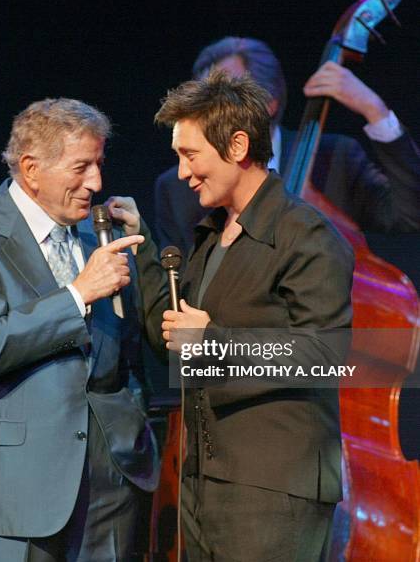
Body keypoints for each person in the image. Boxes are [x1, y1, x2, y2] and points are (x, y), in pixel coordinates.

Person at [108, 72, 354, 561]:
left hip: (274, 488)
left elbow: (328, 353)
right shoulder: (213, 236)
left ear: (238, 145)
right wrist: (142, 248)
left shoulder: (305, 235)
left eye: (190, 155)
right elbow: (176, 340)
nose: (181, 173)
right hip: (205, 483)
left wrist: (215, 341)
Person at [0, 98, 159, 562]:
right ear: (31, 169)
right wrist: (77, 294)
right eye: (82, 167)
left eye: (99, 163)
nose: (96, 182)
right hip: (16, 489)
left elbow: (132, 350)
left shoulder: (101, 235)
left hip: (111, 487)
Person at [155, 36, 420, 255]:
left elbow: (410, 215)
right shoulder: (176, 188)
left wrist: (375, 110)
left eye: (224, 102)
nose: (206, 116)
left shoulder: (335, 158)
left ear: (269, 103)